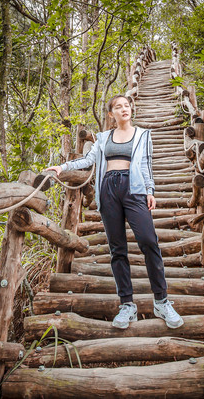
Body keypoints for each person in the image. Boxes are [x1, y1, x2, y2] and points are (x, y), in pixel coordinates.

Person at [46, 94, 184, 330]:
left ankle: (161, 301)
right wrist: (62, 167)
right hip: (108, 189)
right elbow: (88, 161)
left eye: (127, 106)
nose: (124, 109)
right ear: (111, 114)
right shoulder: (102, 138)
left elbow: (146, 165)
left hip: (135, 188)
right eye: (118, 107)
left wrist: (150, 191)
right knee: (117, 248)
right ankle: (127, 305)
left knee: (149, 241)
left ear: (131, 109)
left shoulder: (143, 135)